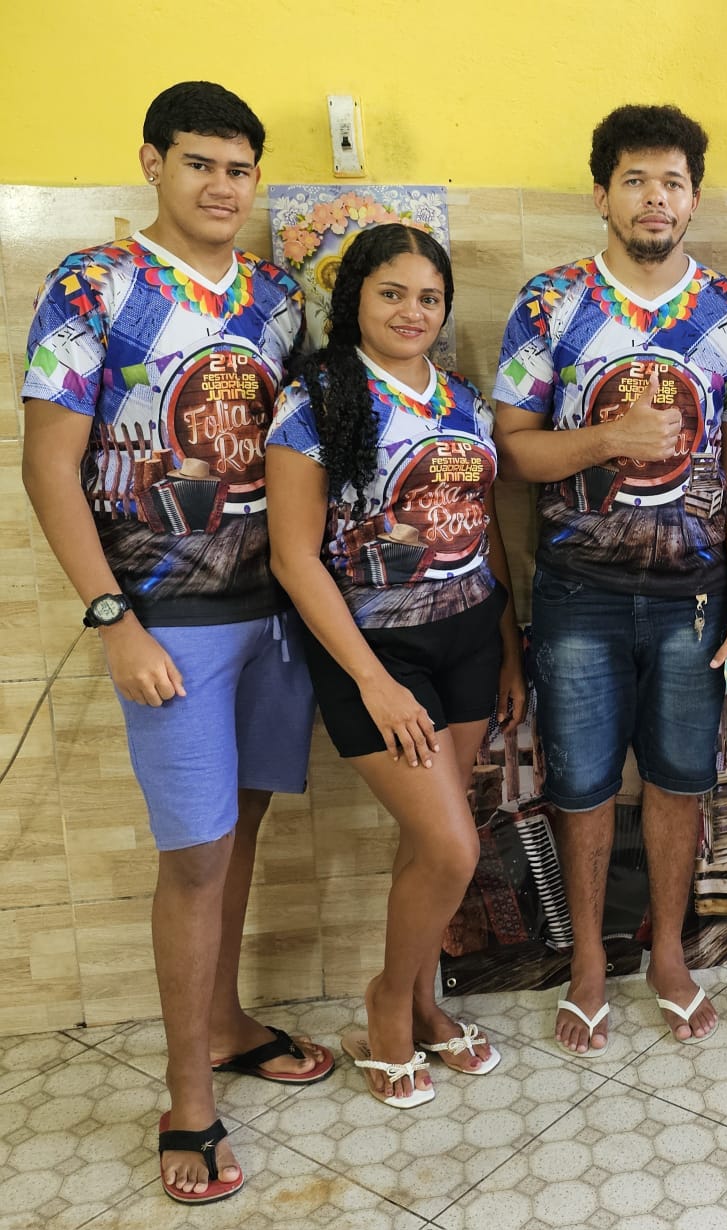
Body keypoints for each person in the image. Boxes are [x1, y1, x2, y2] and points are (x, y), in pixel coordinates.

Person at [21, 81, 329, 1206]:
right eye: (200, 162)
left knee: (240, 829)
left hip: (275, 612)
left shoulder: (277, 300)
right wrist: (112, 617)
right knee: (194, 854)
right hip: (166, 622)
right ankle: (187, 1097)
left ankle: (230, 1023)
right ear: (153, 162)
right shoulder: (96, 286)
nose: (222, 186)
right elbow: (48, 465)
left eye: (240, 168)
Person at [492, 104, 727, 1056]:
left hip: (695, 597)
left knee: (681, 782)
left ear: (694, 198)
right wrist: (610, 437)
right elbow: (512, 452)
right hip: (578, 591)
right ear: (601, 194)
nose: (656, 198)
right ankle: (584, 962)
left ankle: (669, 955)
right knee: (579, 785)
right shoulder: (551, 304)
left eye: (674, 182)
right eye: (637, 181)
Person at [266, 223, 526, 1106]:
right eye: (392, 293)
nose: (412, 312)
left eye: (429, 297)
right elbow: (294, 557)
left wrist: (508, 643)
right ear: (355, 299)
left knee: (431, 843)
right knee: (452, 847)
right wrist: (373, 683)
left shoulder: (463, 401)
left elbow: (484, 526)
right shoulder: (315, 398)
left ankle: (422, 1005)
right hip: (374, 653)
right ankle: (387, 1002)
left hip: (469, 639)